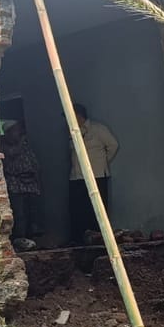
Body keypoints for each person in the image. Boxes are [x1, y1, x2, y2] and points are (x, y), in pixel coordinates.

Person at [68, 102, 118, 245]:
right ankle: (79, 241)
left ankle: (98, 240)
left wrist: (101, 163)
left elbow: (113, 145)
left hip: (97, 176)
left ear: (78, 116)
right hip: (77, 176)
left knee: (97, 210)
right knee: (77, 210)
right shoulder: (72, 131)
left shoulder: (98, 129)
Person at [0, 109, 41, 250]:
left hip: (30, 184)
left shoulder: (25, 145)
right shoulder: (3, 146)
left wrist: (36, 178)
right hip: (16, 184)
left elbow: (34, 162)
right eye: (16, 131)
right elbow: (12, 154)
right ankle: (19, 240)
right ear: (9, 133)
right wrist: (21, 142)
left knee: (32, 212)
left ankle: (31, 239)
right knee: (19, 213)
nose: (19, 133)